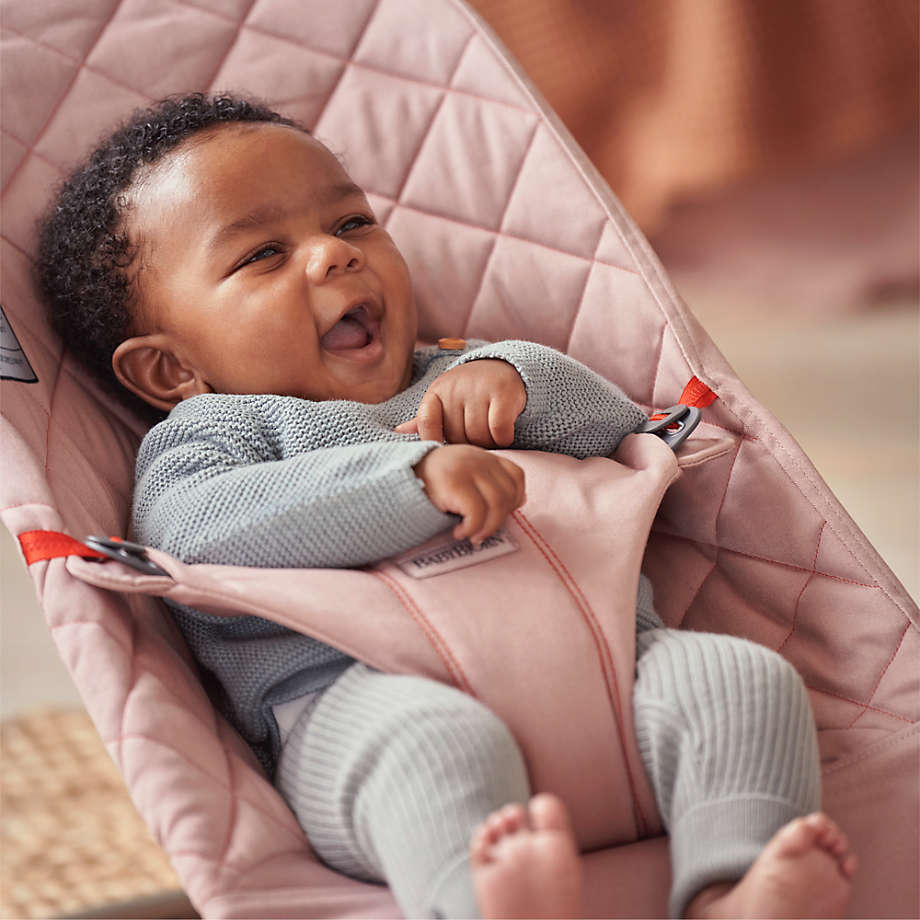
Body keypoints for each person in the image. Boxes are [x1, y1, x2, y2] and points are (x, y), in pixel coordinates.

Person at [36, 93, 856, 920]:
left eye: (352, 223)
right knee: (434, 749)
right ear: (171, 372)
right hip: (361, 705)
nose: (331, 256)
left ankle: (733, 888)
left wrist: (521, 384)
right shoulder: (217, 430)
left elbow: (615, 428)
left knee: (739, 679)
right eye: (263, 254)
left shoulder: (466, 369)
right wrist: (406, 481)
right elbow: (196, 528)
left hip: (609, 670)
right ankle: (481, 905)